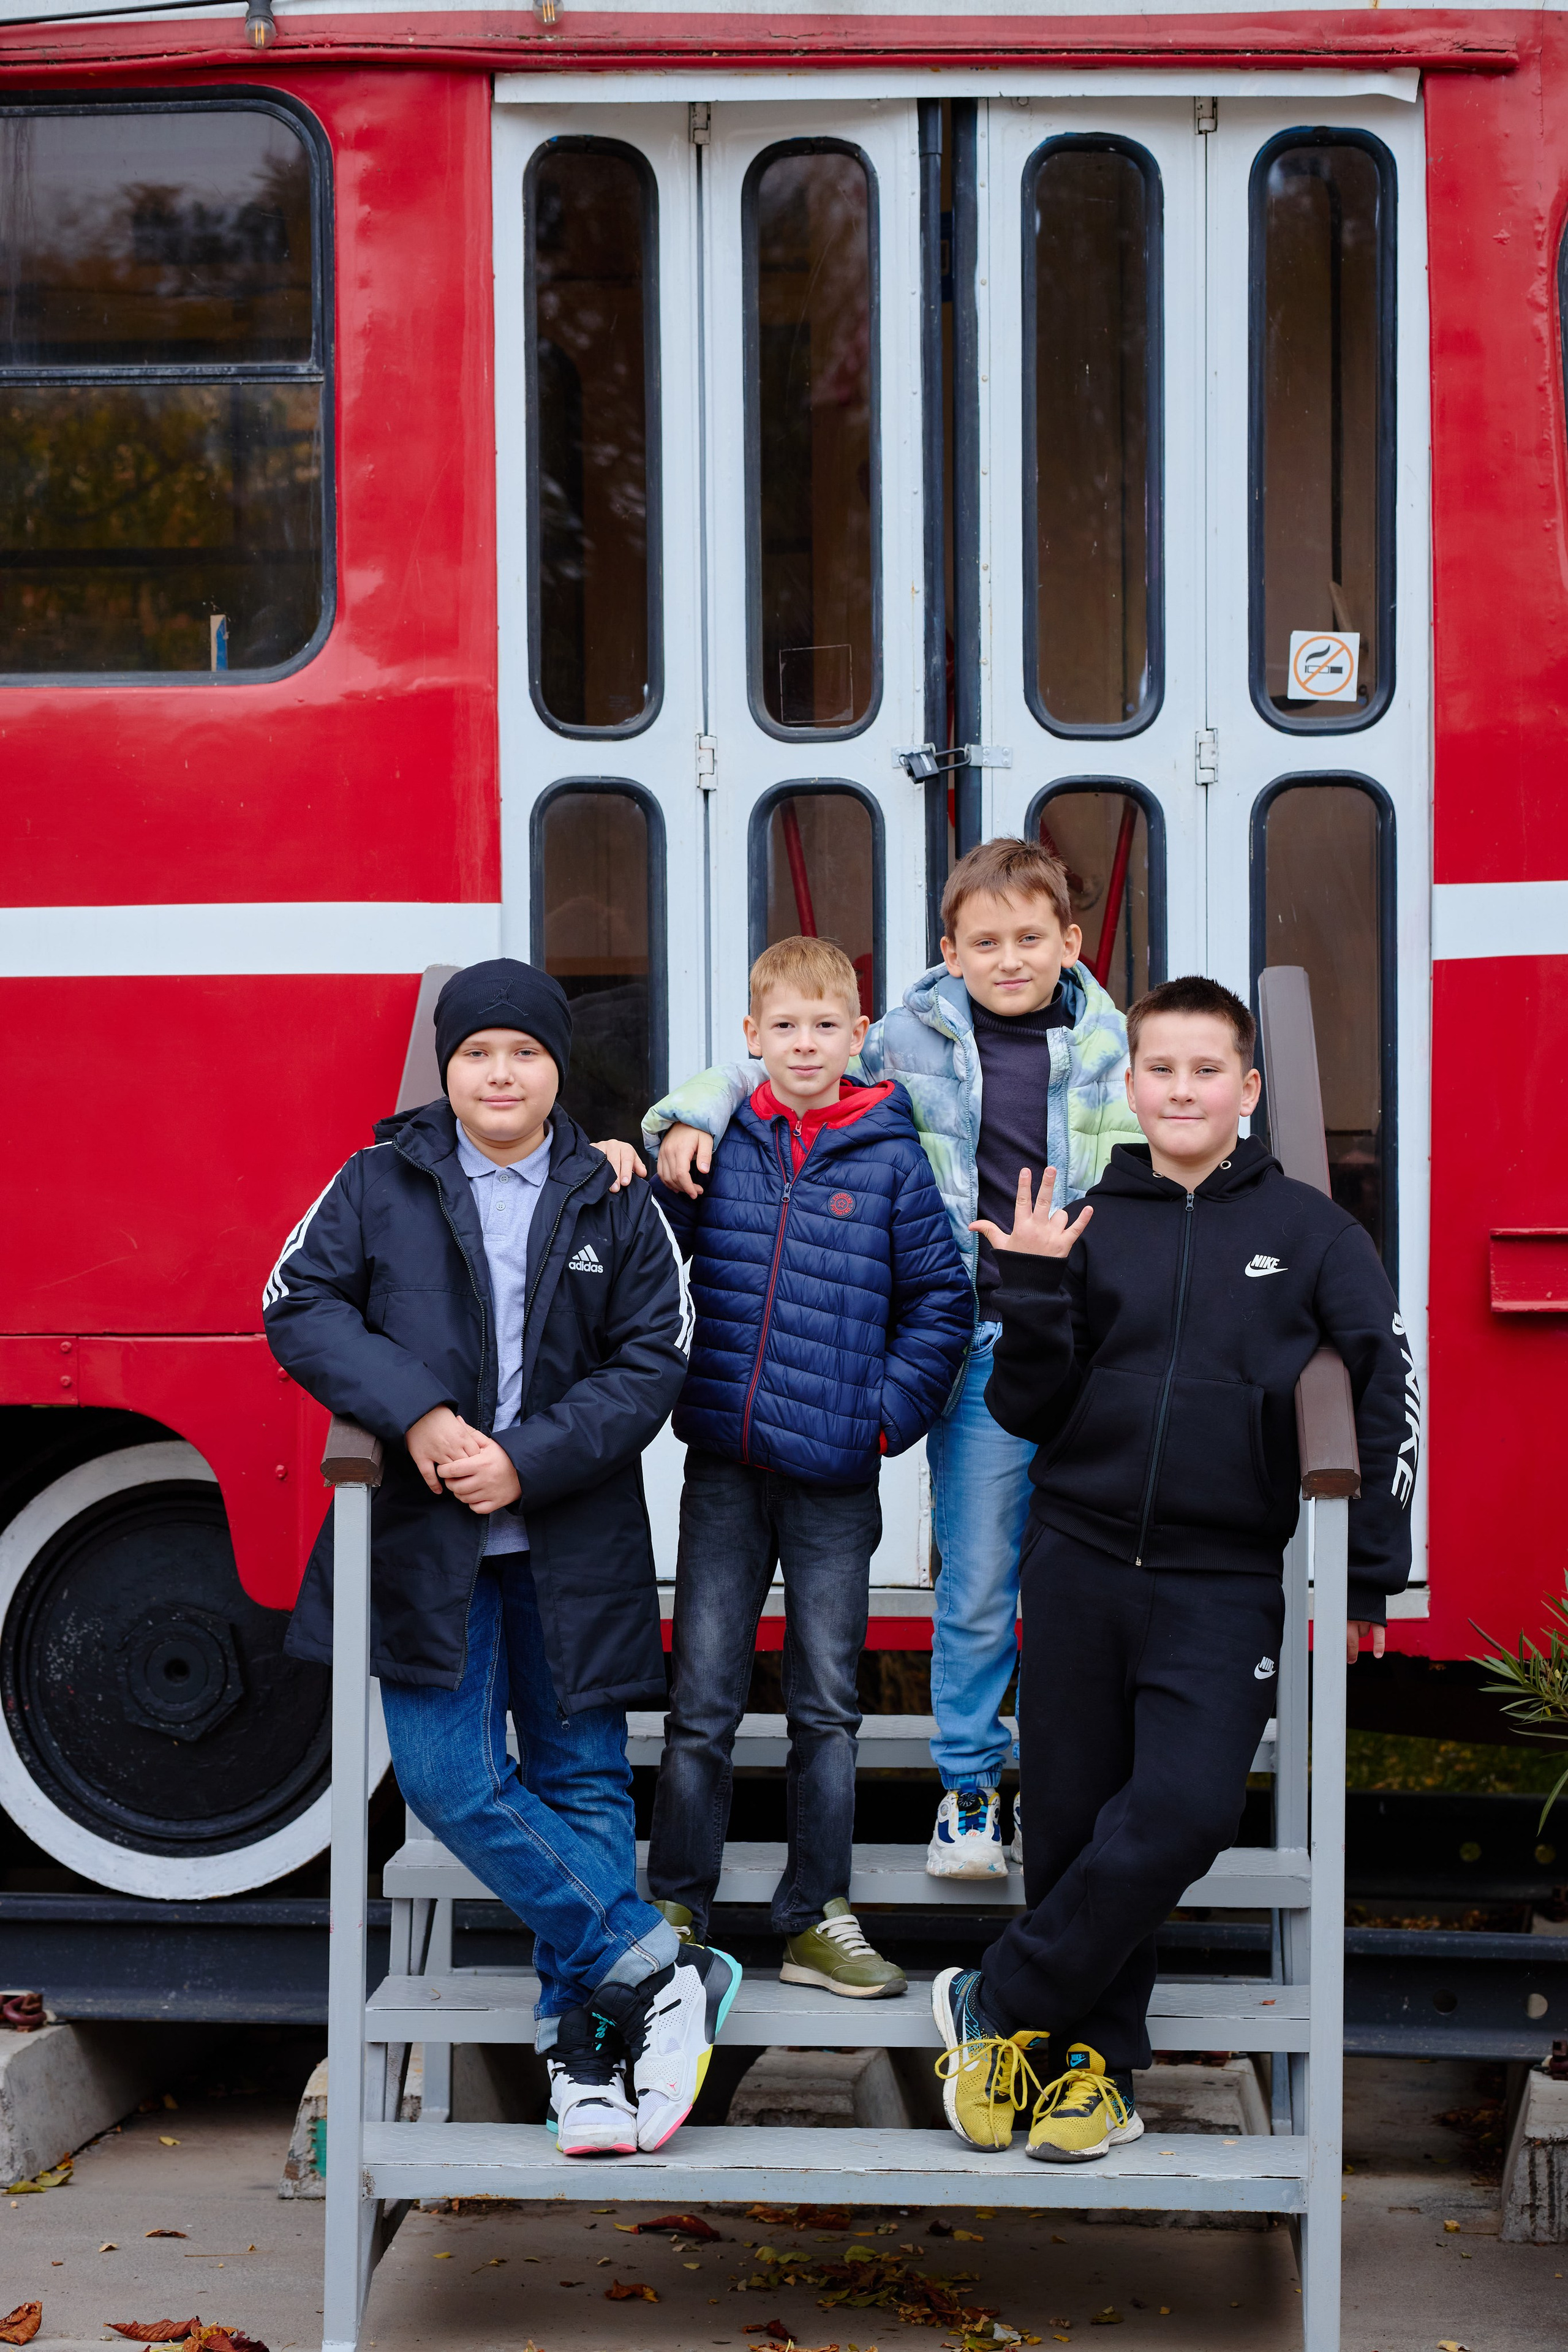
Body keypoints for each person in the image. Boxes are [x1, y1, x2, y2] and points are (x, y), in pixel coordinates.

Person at [930, 974, 1419, 2162]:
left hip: (1221, 1577)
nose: (1183, 1089)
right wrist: (1034, 1288)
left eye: (1207, 1070)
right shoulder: (1094, 1220)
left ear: (1245, 1090)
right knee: (1073, 1822)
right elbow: (1027, 1406)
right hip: (1081, 1558)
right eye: (1161, 1070)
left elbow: (1378, 1392)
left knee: (1182, 1810)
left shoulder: (1312, 1234)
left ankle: (996, 1999)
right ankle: (1088, 2073)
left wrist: (1362, 1574)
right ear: (1132, 1086)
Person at [262, 957, 740, 2159]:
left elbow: (655, 1358)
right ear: (449, 1063)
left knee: (581, 1781)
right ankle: (652, 1968)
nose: (500, 1072)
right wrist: (419, 1416)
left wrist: (528, 1459)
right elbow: (297, 1303)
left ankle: (582, 2058)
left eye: (523, 1052)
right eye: (477, 1051)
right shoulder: (377, 1181)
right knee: (448, 1782)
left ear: (555, 1069)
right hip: (433, 1551)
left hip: (567, 1542)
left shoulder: (612, 1197)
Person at [642, 838, 1140, 1880]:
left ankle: (1082, 1784)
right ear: (950, 950)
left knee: (1084, 1574)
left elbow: (1172, 1144)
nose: (1010, 959)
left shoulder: (1114, 1046)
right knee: (975, 1574)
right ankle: (969, 1789)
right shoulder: (903, 1036)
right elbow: (780, 1055)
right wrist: (690, 1113)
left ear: (1071, 943)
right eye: (986, 941)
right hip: (968, 1336)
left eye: (1031, 939)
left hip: (1085, 1336)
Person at [645, 936, 973, 1996]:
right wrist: (637, 1149)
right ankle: (677, 1903)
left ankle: (814, 1916)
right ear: (751, 1040)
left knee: (827, 1704)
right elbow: (654, 1254)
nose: (804, 1043)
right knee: (701, 1698)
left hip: (836, 1472)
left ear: (857, 1036)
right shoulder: (719, 1139)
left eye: (824, 1026)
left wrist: (882, 1419)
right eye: (783, 1026)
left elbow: (940, 1302)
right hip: (725, 1467)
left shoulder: (888, 1153)